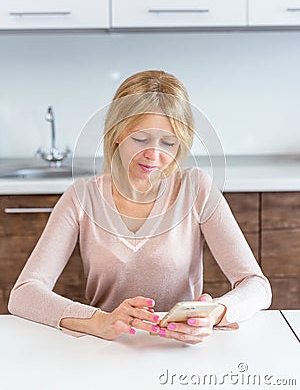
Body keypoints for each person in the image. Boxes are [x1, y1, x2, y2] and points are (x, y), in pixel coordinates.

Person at [8, 70, 272, 345]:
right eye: (141, 140)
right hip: (106, 349)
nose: (154, 155)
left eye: (168, 143)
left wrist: (215, 313)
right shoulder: (81, 197)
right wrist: (97, 320)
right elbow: (24, 294)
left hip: (179, 349)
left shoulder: (196, 189)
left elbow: (257, 285)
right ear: (117, 133)